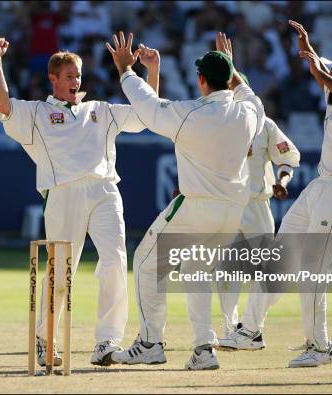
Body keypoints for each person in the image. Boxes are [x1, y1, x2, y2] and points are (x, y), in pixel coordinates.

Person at [219, 20, 332, 369]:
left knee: (312, 270)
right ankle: (249, 331)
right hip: (320, 185)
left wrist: (322, 71)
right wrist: (310, 52)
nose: (330, 79)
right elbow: (327, 79)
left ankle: (320, 346)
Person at [0, 35, 159, 366]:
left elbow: (146, 115)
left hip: (106, 190)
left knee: (114, 261)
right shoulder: (37, 113)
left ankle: (107, 341)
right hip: (63, 193)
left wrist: (152, 71)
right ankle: (45, 337)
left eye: (78, 76)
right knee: (61, 270)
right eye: (69, 76)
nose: (76, 81)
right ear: (52, 79)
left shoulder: (101, 109)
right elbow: (3, 106)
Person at [107, 31, 264, 370]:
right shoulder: (249, 114)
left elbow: (148, 108)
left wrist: (126, 70)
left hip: (197, 207)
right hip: (232, 213)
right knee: (197, 271)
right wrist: (232, 66)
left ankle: (150, 342)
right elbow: (250, 96)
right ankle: (204, 349)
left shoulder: (190, 114)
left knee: (147, 262)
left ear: (201, 80)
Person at [216, 72, 301, 339]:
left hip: (256, 204)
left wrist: (283, 181)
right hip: (228, 205)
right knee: (226, 271)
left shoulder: (264, 125)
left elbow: (288, 158)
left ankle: (253, 326)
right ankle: (232, 328)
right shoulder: (217, 122)